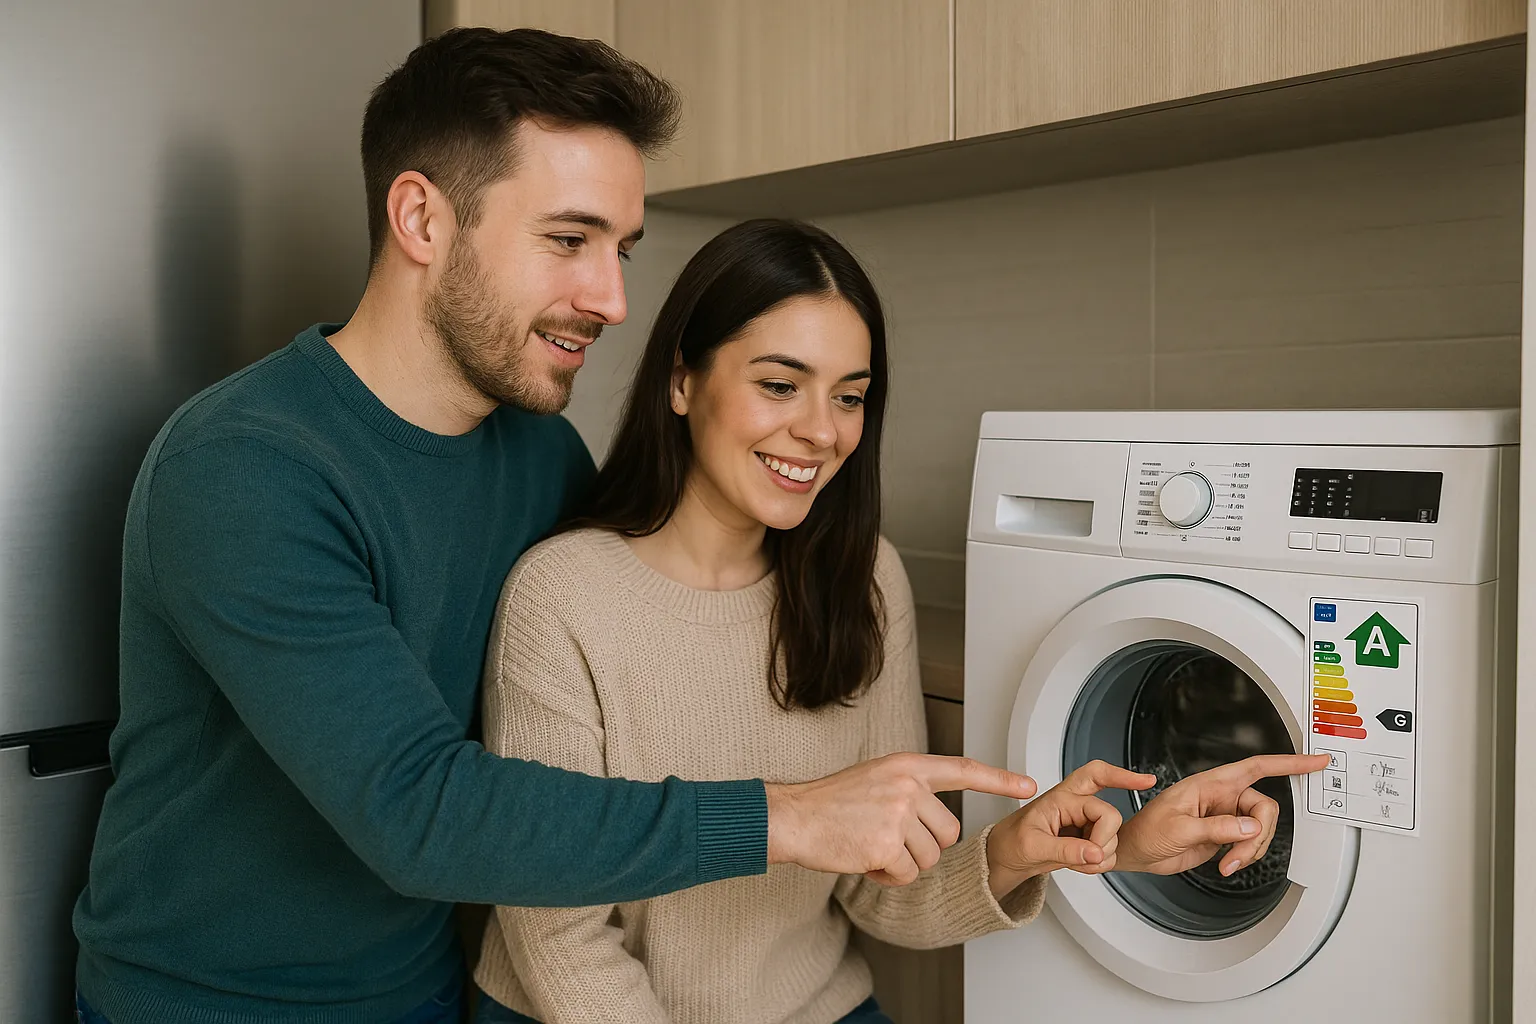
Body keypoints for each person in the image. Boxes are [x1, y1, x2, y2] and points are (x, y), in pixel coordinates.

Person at [69, 30, 1044, 1024]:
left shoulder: (543, 459)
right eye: (568, 240)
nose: (613, 299)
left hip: (419, 990)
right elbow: (419, 811)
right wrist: (787, 814)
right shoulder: (245, 468)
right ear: (421, 219)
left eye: (622, 250)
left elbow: (564, 763)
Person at [471, 219, 1329, 1024]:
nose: (819, 432)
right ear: (683, 379)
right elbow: (560, 939)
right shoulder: (564, 598)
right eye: (779, 385)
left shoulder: (861, 577)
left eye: (850, 397)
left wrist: (1027, 850)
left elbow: (881, 892)